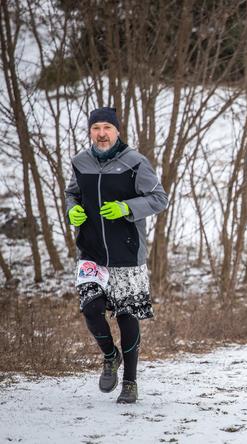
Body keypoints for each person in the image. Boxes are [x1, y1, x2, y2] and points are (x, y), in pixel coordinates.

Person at [65, 107, 168, 403]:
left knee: (126, 315)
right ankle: (111, 356)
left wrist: (127, 208)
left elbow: (160, 198)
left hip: (126, 251)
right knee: (90, 307)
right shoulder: (80, 162)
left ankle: (131, 382)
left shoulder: (135, 162)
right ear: (90, 132)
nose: (101, 134)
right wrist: (72, 209)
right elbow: (72, 193)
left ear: (117, 131)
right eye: (96, 128)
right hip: (91, 250)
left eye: (107, 128)